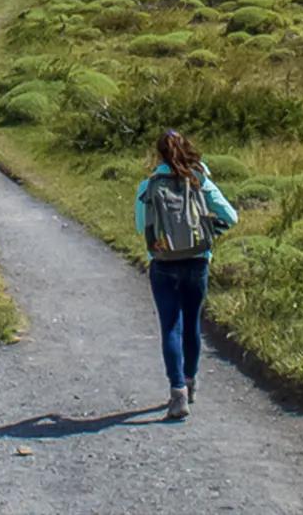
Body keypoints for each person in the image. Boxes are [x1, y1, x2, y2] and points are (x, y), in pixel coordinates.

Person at [134, 129, 236, 421]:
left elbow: (142, 227)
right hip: (197, 260)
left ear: (159, 154)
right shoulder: (200, 180)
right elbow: (231, 217)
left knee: (171, 327)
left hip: (163, 263)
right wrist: (209, 233)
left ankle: (177, 392)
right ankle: (190, 382)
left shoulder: (149, 185)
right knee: (192, 324)